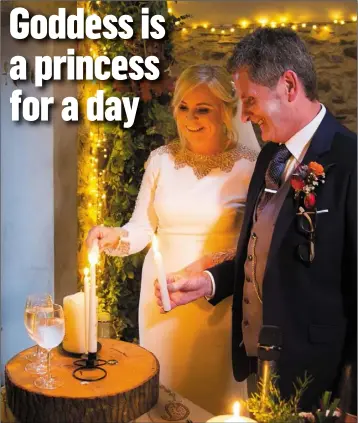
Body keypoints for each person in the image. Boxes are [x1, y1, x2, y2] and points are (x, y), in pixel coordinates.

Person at [155, 28, 357, 414]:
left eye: (249, 100)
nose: (243, 113)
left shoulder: (350, 162)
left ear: (289, 85)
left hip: (319, 381)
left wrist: (353, 402)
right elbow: (259, 249)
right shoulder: (270, 157)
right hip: (259, 366)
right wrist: (209, 281)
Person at [86, 64, 260, 414]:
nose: (190, 118)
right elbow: (142, 228)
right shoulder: (161, 160)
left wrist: (211, 265)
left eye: (203, 109)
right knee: (165, 398)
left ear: (226, 111)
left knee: (216, 401)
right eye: (183, 107)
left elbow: (254, 245)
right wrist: (114, 236)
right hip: (160, 297)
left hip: (218, 302)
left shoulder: (249, 166)